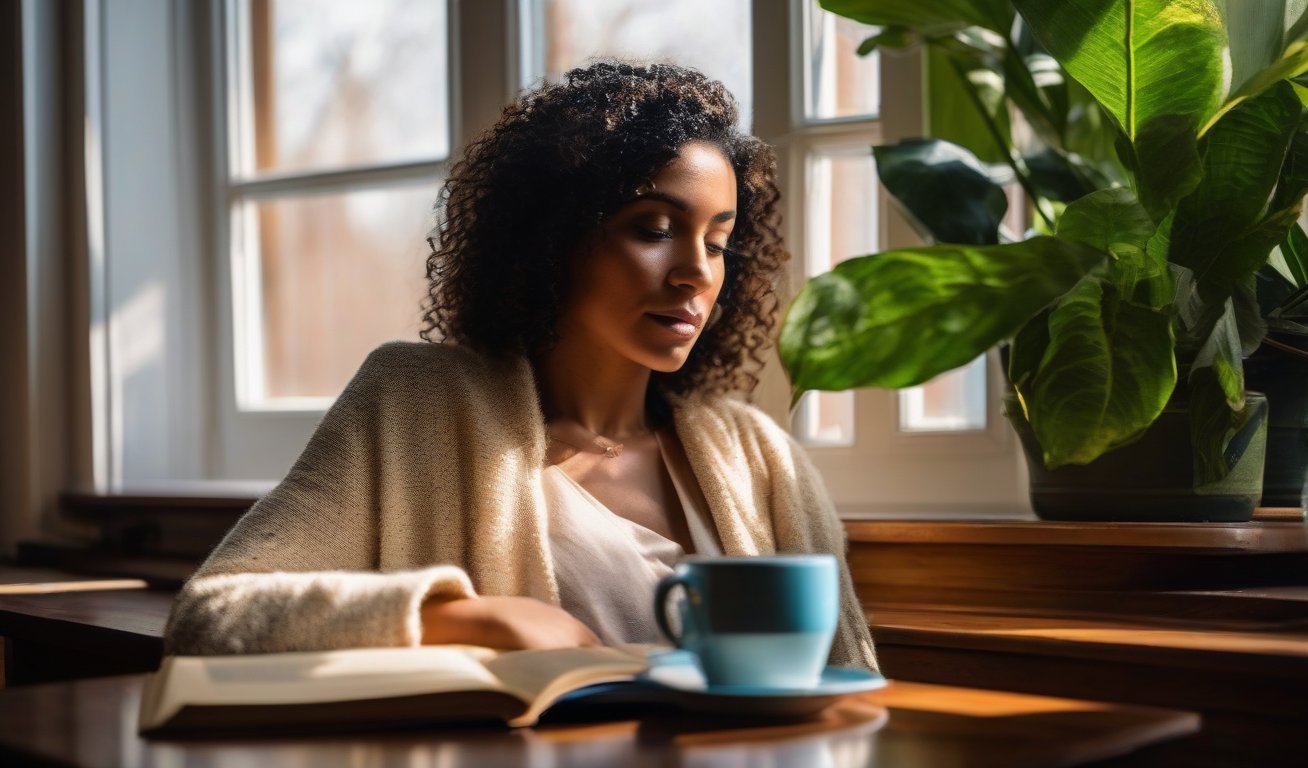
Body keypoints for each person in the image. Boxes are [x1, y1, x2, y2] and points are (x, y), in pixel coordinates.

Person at [164, 61, 877, 671]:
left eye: (718, 242)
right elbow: (210, 617)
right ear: (553, 239)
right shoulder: (419, 404)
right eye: (653, 229)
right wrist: (461, 621)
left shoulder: (758, 456)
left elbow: (852, 675)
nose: (696, 271)